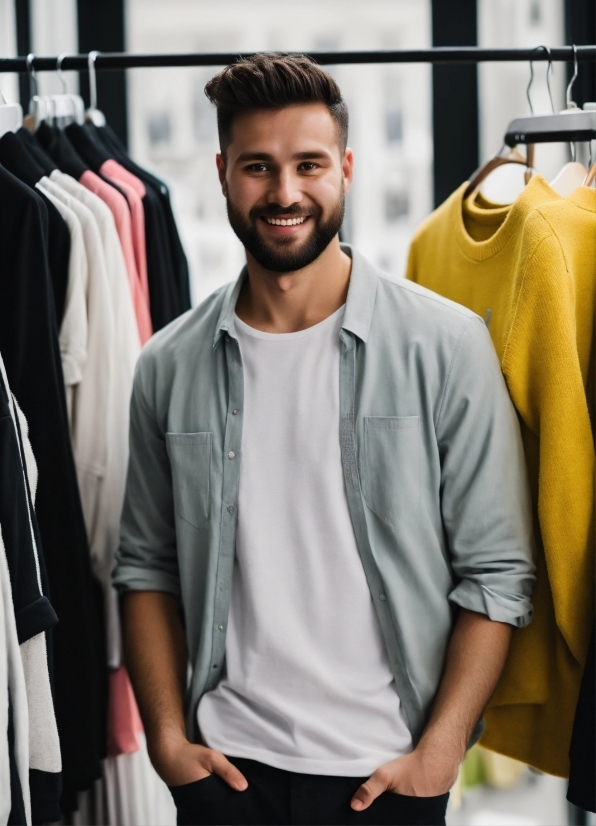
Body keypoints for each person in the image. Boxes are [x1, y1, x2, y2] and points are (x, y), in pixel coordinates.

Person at [113, 53, 535, 826]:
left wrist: (440, 752)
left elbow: (498, 574)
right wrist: (171, 743)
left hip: (388, 776)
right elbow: (145, 569)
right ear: (221, 173)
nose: (284, 193)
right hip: (226, 778)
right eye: (257, 167)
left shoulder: (446, 347)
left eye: (309, 164)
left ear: (345, 168)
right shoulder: (166, 366)